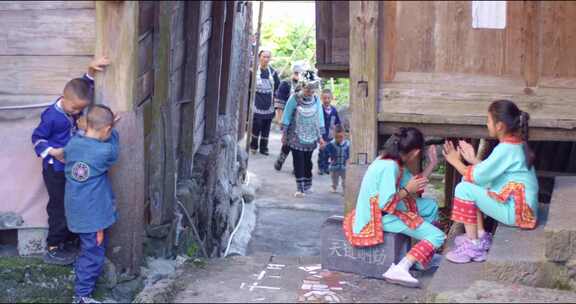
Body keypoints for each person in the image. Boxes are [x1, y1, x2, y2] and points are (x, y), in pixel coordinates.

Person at [31, 57, 110, 265]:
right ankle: (54, 245)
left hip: (72, 168)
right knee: (58, 206)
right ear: (64, 99)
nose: (77, 114)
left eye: (79, 110)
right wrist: (52, 151)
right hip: (55, 170)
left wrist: (90, 73)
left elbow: (84, 88)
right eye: (75, 109)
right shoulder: (51, 116)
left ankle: (71, 240)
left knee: (73, 203)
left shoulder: (74, 103)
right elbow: (36, 138)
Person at [343, 127, 445, 288]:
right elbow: (386, 203)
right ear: (416, 152)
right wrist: (406, 190)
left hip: (384, 210)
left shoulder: (392, 160)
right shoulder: (389, 166)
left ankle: (418, 259)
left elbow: (415, 185)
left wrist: (432, 164)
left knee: (430, 206)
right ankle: (401, 268)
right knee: (438, 236)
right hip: (376, 218)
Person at [443, 100, 538, 264]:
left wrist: (454, 161)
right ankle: (480, 236)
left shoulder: (506, 148)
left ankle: (473, 246)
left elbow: (476, 175)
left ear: (499, 126)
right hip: (522, 209)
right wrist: (473, 159)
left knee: (463, 188)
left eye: (488, 120)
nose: (487, 124)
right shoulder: (515, 144)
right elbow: (486, 174)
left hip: (518, 213)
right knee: (470, 183)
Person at [64, 105, 119, 304]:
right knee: (93, 254)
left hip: (74, 209)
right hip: (93, 216)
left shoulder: (72, 145)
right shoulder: (105, 151)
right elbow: (115, 149)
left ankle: (81, 288)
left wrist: (103, 125)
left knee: (87, 248)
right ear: (106, 130)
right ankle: (81, 296)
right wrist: (114, 131)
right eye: (109, 129)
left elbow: (81, 137)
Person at [281, 70, 325, 197]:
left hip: (311, 135)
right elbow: (287, 115)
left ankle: (308, 184)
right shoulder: (294, 98)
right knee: (298, 160)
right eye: (307, 90)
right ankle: (300, 188)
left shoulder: (316, 99)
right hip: (295, 136)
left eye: (312, 90)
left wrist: (320, 136)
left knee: (308, 161)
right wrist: (284, 134)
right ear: (302, 87)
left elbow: (319, 116)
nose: (310, 92)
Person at [274, 61, 306, 171]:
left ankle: (296, 167)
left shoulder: (306, 86)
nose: (299, 75)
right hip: (290, 119)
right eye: (297, 72)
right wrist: (280, 118)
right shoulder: (285, 84)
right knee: (288, 143)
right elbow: (280, 103)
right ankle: (280, 160)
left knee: (300, 145)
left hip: (303, 119)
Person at [250, 49, 281, 156]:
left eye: (268, 57)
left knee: (266, 126)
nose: (266, 59)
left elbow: (277, 86)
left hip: (268, 103)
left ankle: (264, 147)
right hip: (257, 102)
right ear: (259, 57)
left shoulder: (273, 72)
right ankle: (253, 145)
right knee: (257, 124)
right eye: (264, 56)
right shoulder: (253, 71)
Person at [317, 89, 341, 175]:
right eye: (324, 98)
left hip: (330, 134)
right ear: (321, 99)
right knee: (322, 151)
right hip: (322, 134)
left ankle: (326, 167)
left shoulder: (334, 110)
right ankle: (321, 167)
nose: (326, 100)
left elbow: (337, 122)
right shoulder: (320, 109)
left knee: (328, 152)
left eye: (328, 98)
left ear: (331, 98)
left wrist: (338, 131)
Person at [325, 125, 349, 193]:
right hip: (334, 166)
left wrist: (348, 160)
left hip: (344, 166)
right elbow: (326, 153)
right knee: (334, 178)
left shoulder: (347, 144)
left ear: (344, 135)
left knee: (345, 179)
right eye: (336, 137)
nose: (338, 139)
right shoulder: (331, 144)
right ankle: (334, 187)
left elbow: (349, 153)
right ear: (333, 135)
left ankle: (345, 190)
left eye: (340, 137)